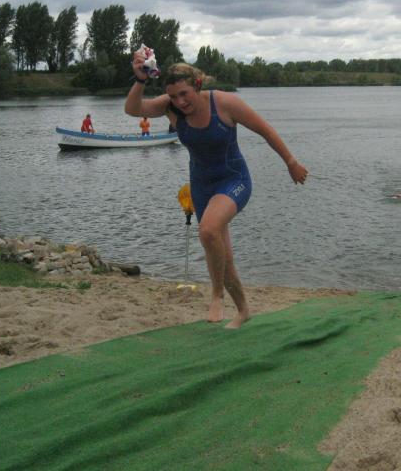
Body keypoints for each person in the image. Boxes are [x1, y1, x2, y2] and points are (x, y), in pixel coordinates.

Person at [125, 57, 308, 329]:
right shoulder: (170, 106)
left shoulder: (224, 103)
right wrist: (141, 79)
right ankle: (243, 310)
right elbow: (132, 109)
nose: (180, 102)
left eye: (184, 94)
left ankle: (216, 295)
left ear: (197, 85)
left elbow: (265, 130)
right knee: (222, 255)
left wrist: (291, 162)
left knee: (208, 230)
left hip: (233, 179)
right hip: (201, 186)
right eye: (173, 96)